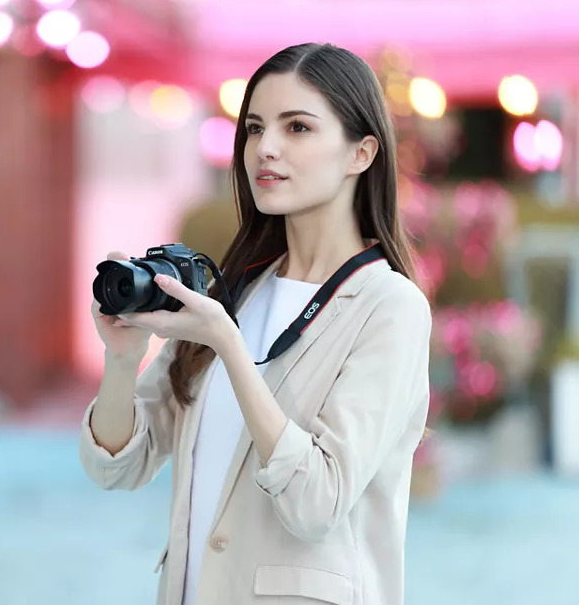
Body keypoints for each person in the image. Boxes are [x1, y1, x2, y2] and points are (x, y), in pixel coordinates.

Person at [79, 42, 431, 605]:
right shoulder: (236, 290)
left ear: (361, 153)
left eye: (297, 128)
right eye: (254, 128)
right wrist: (123, 358)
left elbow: (316, 500)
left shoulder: (389, 306)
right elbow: (119, 466)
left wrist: (229, 344)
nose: (265, 149)